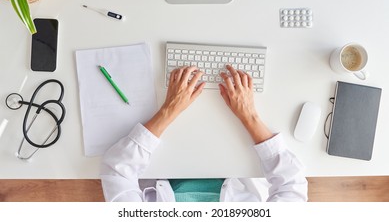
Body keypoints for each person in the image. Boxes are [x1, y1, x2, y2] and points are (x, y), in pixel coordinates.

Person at [100, 65, 308, 202]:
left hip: (167, 154)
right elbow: (292, 186)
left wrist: (169, 110)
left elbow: (116, 171)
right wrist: (249, 116)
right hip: (235, 156)